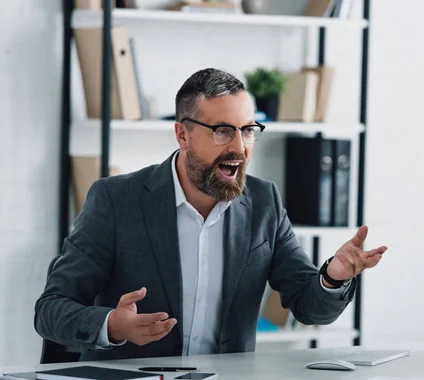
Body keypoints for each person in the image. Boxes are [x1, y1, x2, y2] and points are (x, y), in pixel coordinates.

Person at [34, 68, 387, 361]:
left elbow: (310, 309)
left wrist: (334, 277)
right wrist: (111, 325)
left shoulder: (263, 202)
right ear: (182, 136)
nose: (239, 147)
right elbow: (50, 310)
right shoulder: (117, 199)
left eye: (248, 130)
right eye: (222, 131)